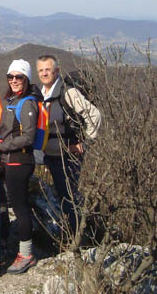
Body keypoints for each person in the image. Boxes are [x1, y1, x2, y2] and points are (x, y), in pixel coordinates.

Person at [36, 55, 101, 236]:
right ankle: (72, 233)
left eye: (48, 69)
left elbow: (95, 115)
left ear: (56, 71)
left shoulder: (68, 93)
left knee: (69, 197)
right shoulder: (41, 94)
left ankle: (77, 237)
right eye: (41, 70)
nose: (44, 73)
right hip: (49, 154)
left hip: (68, 156)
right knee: (61, 195)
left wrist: (86, 143)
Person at [0, 59, 40, 274]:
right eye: (11, 77)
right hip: (8, 160)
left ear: (26, 79)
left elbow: (28, 137)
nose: (14, 80)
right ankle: (19, 248)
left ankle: (26, 254)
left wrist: (2, 147)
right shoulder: (12, 100)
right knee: (16, 205)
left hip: (20, 161)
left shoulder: (27, 103)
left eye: (19, 77)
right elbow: (3, 131)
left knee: (20, 207)